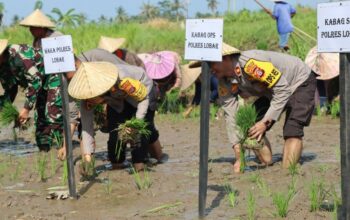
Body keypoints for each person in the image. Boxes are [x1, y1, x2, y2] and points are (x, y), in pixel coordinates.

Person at [190, 42, 316, 173]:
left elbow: (283, 90)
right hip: (272, 92)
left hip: (299, 82)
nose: (209, 69)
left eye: (210, 64)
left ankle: (288, 172)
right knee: (248, 126)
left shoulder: (251, 64)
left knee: (292, 129)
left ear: (225, 58)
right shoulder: (224, 82)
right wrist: (239, 157)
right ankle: (268, 160)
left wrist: (265, 122)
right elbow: (231, 116)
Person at [68, 61, 159, 172]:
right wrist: (87, 157)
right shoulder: (87, 96)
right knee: (115, 135)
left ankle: (142, 162)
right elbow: (87, 127)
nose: (90, 100)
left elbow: (143, 99)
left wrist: (136, 122)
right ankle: (117, 164)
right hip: (116, 101)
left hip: (142, 93)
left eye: (93, 97)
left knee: (139, 134)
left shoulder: (124, 80)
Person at [0, 39, 62, 151]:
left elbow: (35, 80)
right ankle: (45, 149)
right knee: (40, 116)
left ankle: (62, 145)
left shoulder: (18, 56)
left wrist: (26, 109)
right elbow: (11, 89)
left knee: (53, 113)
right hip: (38, 82)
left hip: (51, 75)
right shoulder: (2, 66)